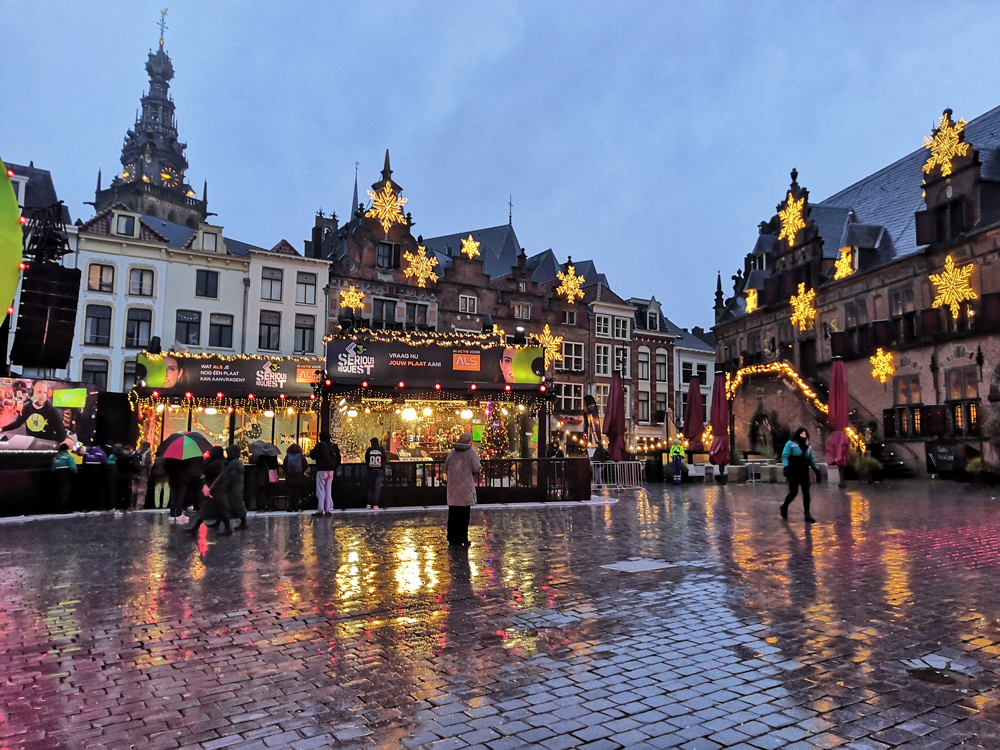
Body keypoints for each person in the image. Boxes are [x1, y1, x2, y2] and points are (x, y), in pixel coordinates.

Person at [2, 381, 67, 445]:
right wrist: (2, 429)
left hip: (46, 446)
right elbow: (17, 424)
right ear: (32, 393)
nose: (42, 396)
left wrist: (48, 444)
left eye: (45, 393)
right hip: (30, 444)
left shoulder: (52, 412)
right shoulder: (26, 409)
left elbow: (61, 435)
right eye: (39, 392)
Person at [186, 446, 232, 536]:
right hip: (214, 488)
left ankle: (195, 528)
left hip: (215, 488)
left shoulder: (217, 463)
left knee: (210, 508)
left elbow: (206, 470)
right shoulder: (220, 462)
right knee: (218, 509)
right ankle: (227, 528)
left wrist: (205, 461)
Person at [444, 433, 480, 546]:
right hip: (465, 488)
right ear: (469, 440)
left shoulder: (452, 453)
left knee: (453, 514)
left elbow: (446, 466)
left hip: (453, 487)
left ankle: (452, 537)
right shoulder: (471, 453)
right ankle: (463, 538)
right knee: (464, 515)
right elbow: (476, 467)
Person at [781, 427, 821, 523]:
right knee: (793, 492)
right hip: (793, 471)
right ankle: (784, 506)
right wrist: (786, 467)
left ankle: (807, 513)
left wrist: (816, 470)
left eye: (805, 434)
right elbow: (785, 455)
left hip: (804, 471)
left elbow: (812, 458)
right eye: (801, 434)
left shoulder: (808, 446)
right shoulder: (791, 444)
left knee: (806, 492)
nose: (803, 436)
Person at [310, 432, 341, 516]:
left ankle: (320, 510)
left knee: (320, 490)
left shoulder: (320, 446)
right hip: (331, 470)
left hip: (321, 470)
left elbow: (312, 455)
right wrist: (334, 467)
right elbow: (338, 459)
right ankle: (328, 510)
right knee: (328, 490)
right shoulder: (334, 446)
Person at [223, 444, 248, 528]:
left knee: (235, 504)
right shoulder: (235, 462)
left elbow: (231, 476)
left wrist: (226, 484)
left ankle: (242, 523)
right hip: (236, 486)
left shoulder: (234, 464)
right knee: (233, 504)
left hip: (234, 487)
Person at [51, 444, 77, 514]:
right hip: (66, 475)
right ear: (66, 450)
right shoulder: (68, 457)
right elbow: (73, 468)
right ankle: (64, 509)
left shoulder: (55, 458)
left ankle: (56, 509)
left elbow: (53, 469)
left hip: (57, 475)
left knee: (58, 491)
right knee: (65, 492)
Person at [81, 444, 108, 510]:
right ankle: (99, 506)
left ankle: (88, 507)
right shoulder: (101, 452)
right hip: (98, 474)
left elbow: (83, 462)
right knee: (99, 490)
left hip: (87, 475)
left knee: (88, 490)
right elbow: (104, 462)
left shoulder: (87, 452)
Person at [282, 443, 307, 512]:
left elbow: (284, 466)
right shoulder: (301, 456)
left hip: (290, 477)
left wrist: (287, 472)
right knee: (297, 492)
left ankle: (290, 506)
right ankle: (296, 506)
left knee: (291, 492)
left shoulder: (288, 456)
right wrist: (302, 471)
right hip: (299, 477)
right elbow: (306, 465)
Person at [365, 437, 385, 509]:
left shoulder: (369, 450)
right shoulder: (381, 450)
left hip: (371, 470)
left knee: (370, 487)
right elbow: (384, 458)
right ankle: (375, 504)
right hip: (379, 470)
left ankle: (369, 503)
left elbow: (366, 459)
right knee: (377, 488)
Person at [131, 442, 151, 510]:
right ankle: (139, 505)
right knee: (141, 491)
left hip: (135, 473)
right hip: (143, 473)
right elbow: (149, 462)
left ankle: (132, 505)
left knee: (134, 490)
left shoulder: (136, 452)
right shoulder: (147, 452)